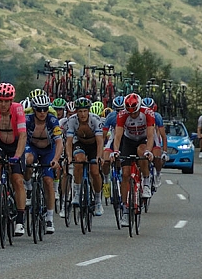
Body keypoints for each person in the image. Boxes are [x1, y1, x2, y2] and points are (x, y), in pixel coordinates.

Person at [0, 83, 28, 234]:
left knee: (18, 180)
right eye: (0, 100)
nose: (3, 104)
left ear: (11, 101)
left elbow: (22, 135)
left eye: (6, 101)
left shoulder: (18, 109)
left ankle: (20, 220)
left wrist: (17, 156)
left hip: (15, 144)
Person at [111, 93, 155, 228]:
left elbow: (150, 135)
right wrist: (116, 151)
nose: (133, 115)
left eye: (135, 113)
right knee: (125, 174)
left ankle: (146, 181)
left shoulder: (147, 113)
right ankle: (125, 209)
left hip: (142, 140)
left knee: (142, 152)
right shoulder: (122, 115)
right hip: (128, 141)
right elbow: (117, 136)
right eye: (130, 113)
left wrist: (148, 150)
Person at [24, 94, 63, 234]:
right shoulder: (28, 120)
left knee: (48, 180)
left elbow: (59, 142)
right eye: (39, 109)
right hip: (32, 147)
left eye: (45, 109)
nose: (42, 113)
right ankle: (28, 188)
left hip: (48, 150)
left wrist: (56, 159)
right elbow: (21, 138)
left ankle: (50, 217)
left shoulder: (52, 120)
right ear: (34, 109)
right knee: (27, 160)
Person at [65, 97, 104, 216]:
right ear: (76, 112)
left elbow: (100, 141)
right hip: (79, 143)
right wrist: (69, 157)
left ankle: (98, 201)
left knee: (95, 171)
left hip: (93, 144)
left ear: (88, 111)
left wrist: (99, 156)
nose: (82, 114)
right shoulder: (71, 120)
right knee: (78, 161)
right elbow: (69, 141)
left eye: (85, 111)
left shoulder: (95, 120)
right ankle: (77, 192)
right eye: (80, 111)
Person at [142, 97, 168, 187]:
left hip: (153, 138)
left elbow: (163, 136)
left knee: (157, 157)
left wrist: (164, 152)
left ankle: (158, 173)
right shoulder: (138, 115)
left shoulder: (157, 117)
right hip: (141, 138)